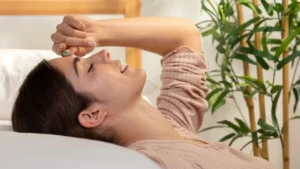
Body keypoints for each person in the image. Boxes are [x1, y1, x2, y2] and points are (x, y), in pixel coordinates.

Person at [11, 16, 274, 169]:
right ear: (92, 115)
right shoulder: (154, 162)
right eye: (89, 68)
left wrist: (95, 31)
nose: (103, 54)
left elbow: (185, 37)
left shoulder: (175, 128)